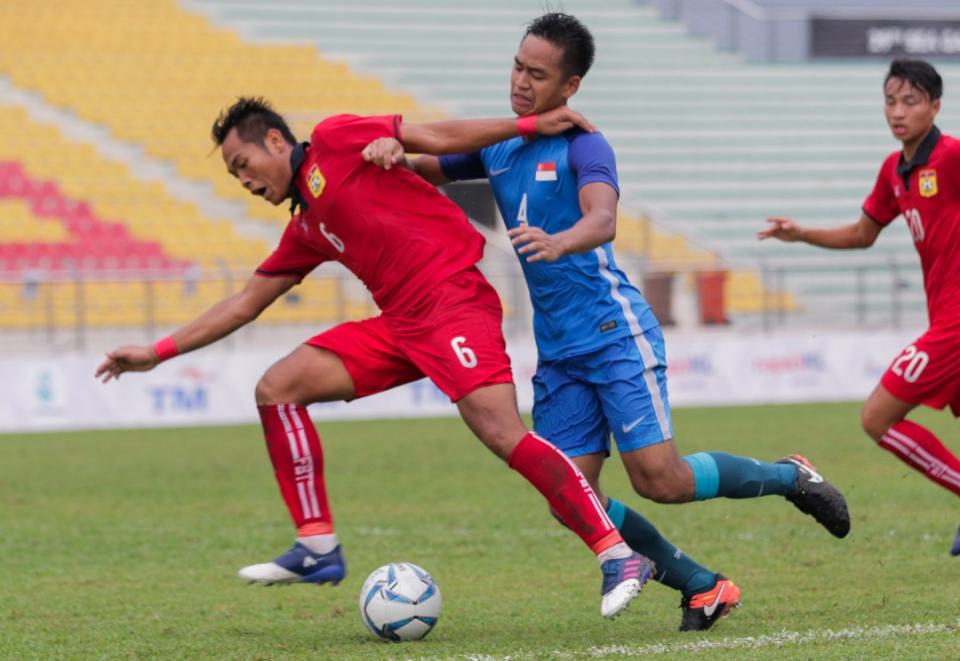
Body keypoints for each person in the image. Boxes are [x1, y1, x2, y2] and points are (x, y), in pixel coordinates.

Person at [361, 12, 851, 631]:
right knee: (571, 500)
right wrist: (389, 153)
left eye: (537, 75)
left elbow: (603, 218)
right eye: (517, 65)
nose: (520, 81)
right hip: (560, 350)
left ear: (569, 88)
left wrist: (561, 241)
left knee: (661, 480)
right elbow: (430, 165)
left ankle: (790, 477)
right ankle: (704, 586)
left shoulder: (585, 144)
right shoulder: (502, 142)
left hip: (613, 332)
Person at [94, 97, 655, 619]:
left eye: (242, 163)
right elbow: (245, 303)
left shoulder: (334, 138)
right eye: (232, 175)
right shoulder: (308, 225)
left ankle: (616, 554)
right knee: (278, 387)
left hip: (451, 300)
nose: (242, 180)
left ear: (273, 140)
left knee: (502, 432)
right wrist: (156, 352)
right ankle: (316, 545)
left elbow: (434, 135)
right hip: (402, 324)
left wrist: (528, 125)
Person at [759, 58, 960, 556]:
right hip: (944, 317)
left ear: (935, 106)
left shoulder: (953, 157)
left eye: (910, 101)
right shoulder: (895, 170)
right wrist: (801, 233)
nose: (898, 111)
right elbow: (862, 234)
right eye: (890, 101)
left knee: (877, 417)